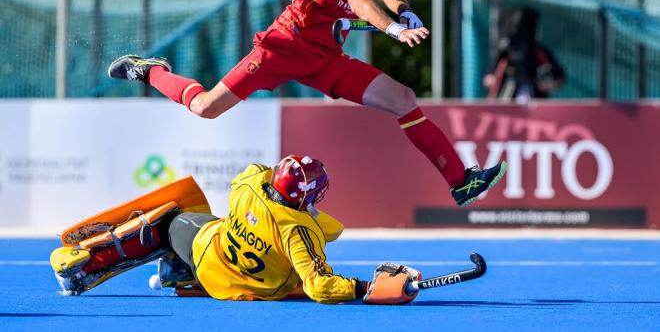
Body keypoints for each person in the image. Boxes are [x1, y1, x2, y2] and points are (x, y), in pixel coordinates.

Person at [108, 0, 506, 207]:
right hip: (283, 47)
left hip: (325, 59)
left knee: (404, 99)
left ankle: (461, 182)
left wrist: (405, 10)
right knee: (207, 107)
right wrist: (394, 29)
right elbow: (359, 0)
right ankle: (152, 71)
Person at [52, 155, 422, 305]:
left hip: (209, 257)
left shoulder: (248, 185)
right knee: (295, 273)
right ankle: (177, 272)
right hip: (248, 290)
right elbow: (320, 285)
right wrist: (364, 288)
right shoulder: (304, 232)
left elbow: (256, 171)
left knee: (170, 221)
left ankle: (90, 262)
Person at [483, 6, 565, 104]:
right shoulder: (505, 52)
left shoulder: (539, 52)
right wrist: (492, 79)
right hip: (507, 98)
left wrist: (549, 84)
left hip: (535, 99)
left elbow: (559, 77)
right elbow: (489, 77)